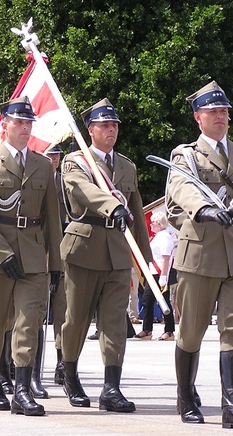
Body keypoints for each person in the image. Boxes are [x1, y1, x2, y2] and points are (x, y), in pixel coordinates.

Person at [166, 81, 233, 430]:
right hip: (200, 256)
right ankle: (185, 396)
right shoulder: (185, 156)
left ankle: (231, 405)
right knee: (191, 332)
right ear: (198, 118)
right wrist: (206, 209)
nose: (221, 116)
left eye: (224, 111)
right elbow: (179, 193)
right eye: (213, 111)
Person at [0, 96, 62, 416]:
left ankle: (21, 390)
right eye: (18, 122)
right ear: (4, 126)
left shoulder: (42, 164)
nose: (24, 128)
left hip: (33, 255)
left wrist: (56, 263)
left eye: (28, 123)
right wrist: (2, 253)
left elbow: (51, 216)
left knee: (28, 321)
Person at [60, 98, 152, 413]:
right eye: (104, 125)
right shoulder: (75, 162)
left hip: (118, 251)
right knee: (77, 320)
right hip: (84, 247)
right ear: (90, 129)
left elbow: (136, 211)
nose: (110, 130)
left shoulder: (127, 165)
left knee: (114, 322)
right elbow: (82, 191)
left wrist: (145, 257)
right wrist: (112, 206)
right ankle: (69, 374)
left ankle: (111, 388)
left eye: (114, 125)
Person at [43, 144, 68, 386]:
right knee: (34, 313)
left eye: (57, 154)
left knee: (62, 311)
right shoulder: (34, 177)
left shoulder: (65, 180)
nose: (54, 158)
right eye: (50, 153)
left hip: (62, 250)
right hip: (38, 250)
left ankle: (62, 362)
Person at [135, 212, 177, 340]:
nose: (151, 225)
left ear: (159, 224)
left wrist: (163, 276)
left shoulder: (164, 237)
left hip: (159, 274)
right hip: (152, 273)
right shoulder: (158, 236)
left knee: (163, 302)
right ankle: (147, 330)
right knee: (147, 301)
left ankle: (169, 331)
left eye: (153, 223)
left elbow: (165, 258)